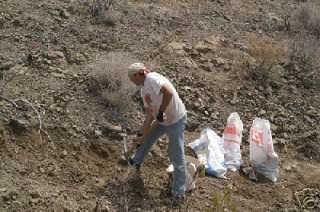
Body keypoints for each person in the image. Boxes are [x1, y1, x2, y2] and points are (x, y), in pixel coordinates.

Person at [127, 62, 187, 198]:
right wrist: (141, 133)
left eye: (131, 77)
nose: (131, 81)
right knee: (147, 139)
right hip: (162, 120)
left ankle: (179, 192)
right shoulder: (143, 91)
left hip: (176, 120)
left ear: (137, 74)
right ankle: (135, 161)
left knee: (175, 153)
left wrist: (161, 111)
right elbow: (149, 115)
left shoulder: (152, 78)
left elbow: (168, 92)